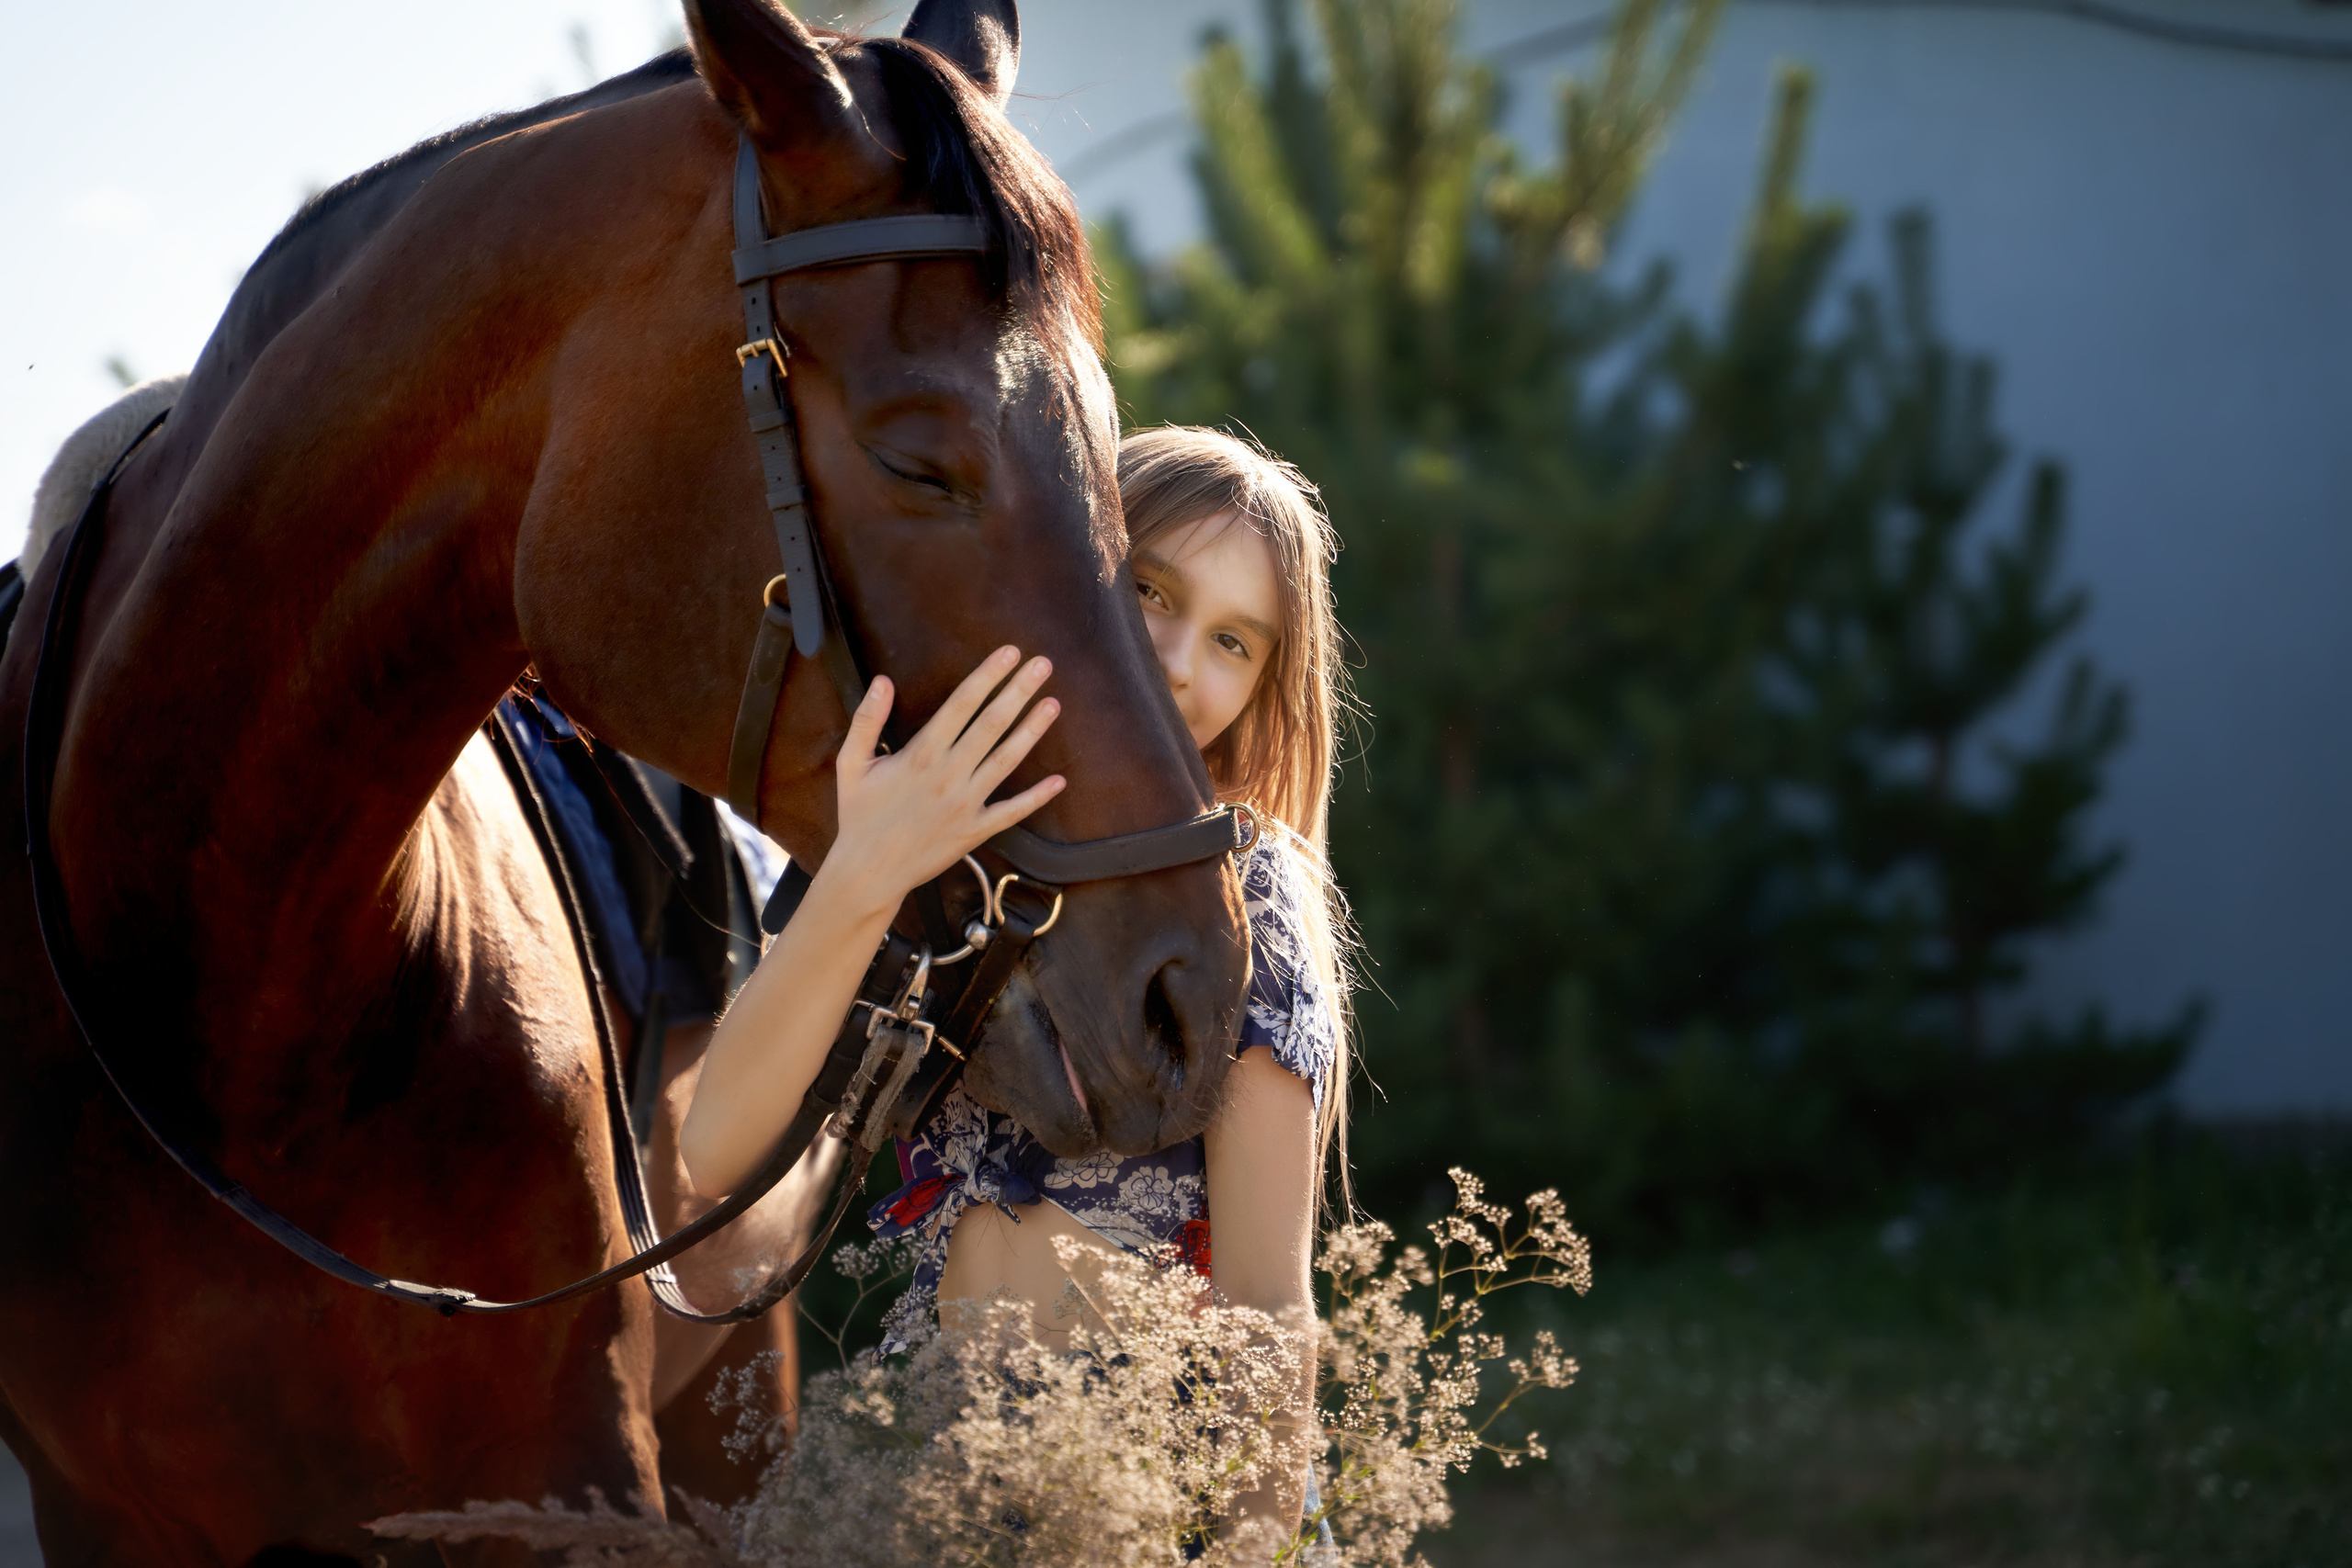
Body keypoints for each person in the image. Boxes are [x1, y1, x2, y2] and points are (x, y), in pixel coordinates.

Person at [681, 426, 1353, 1545]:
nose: (1182, 661)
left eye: (1235, 641)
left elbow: (1267, 1307)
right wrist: (868, 862)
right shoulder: (941, 832)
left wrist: (1251, 1539)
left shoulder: (1243, 887)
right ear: (1074, 569)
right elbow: (714, 1149)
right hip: (929, 1475)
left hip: (1148, 1488)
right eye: (1149, 589)